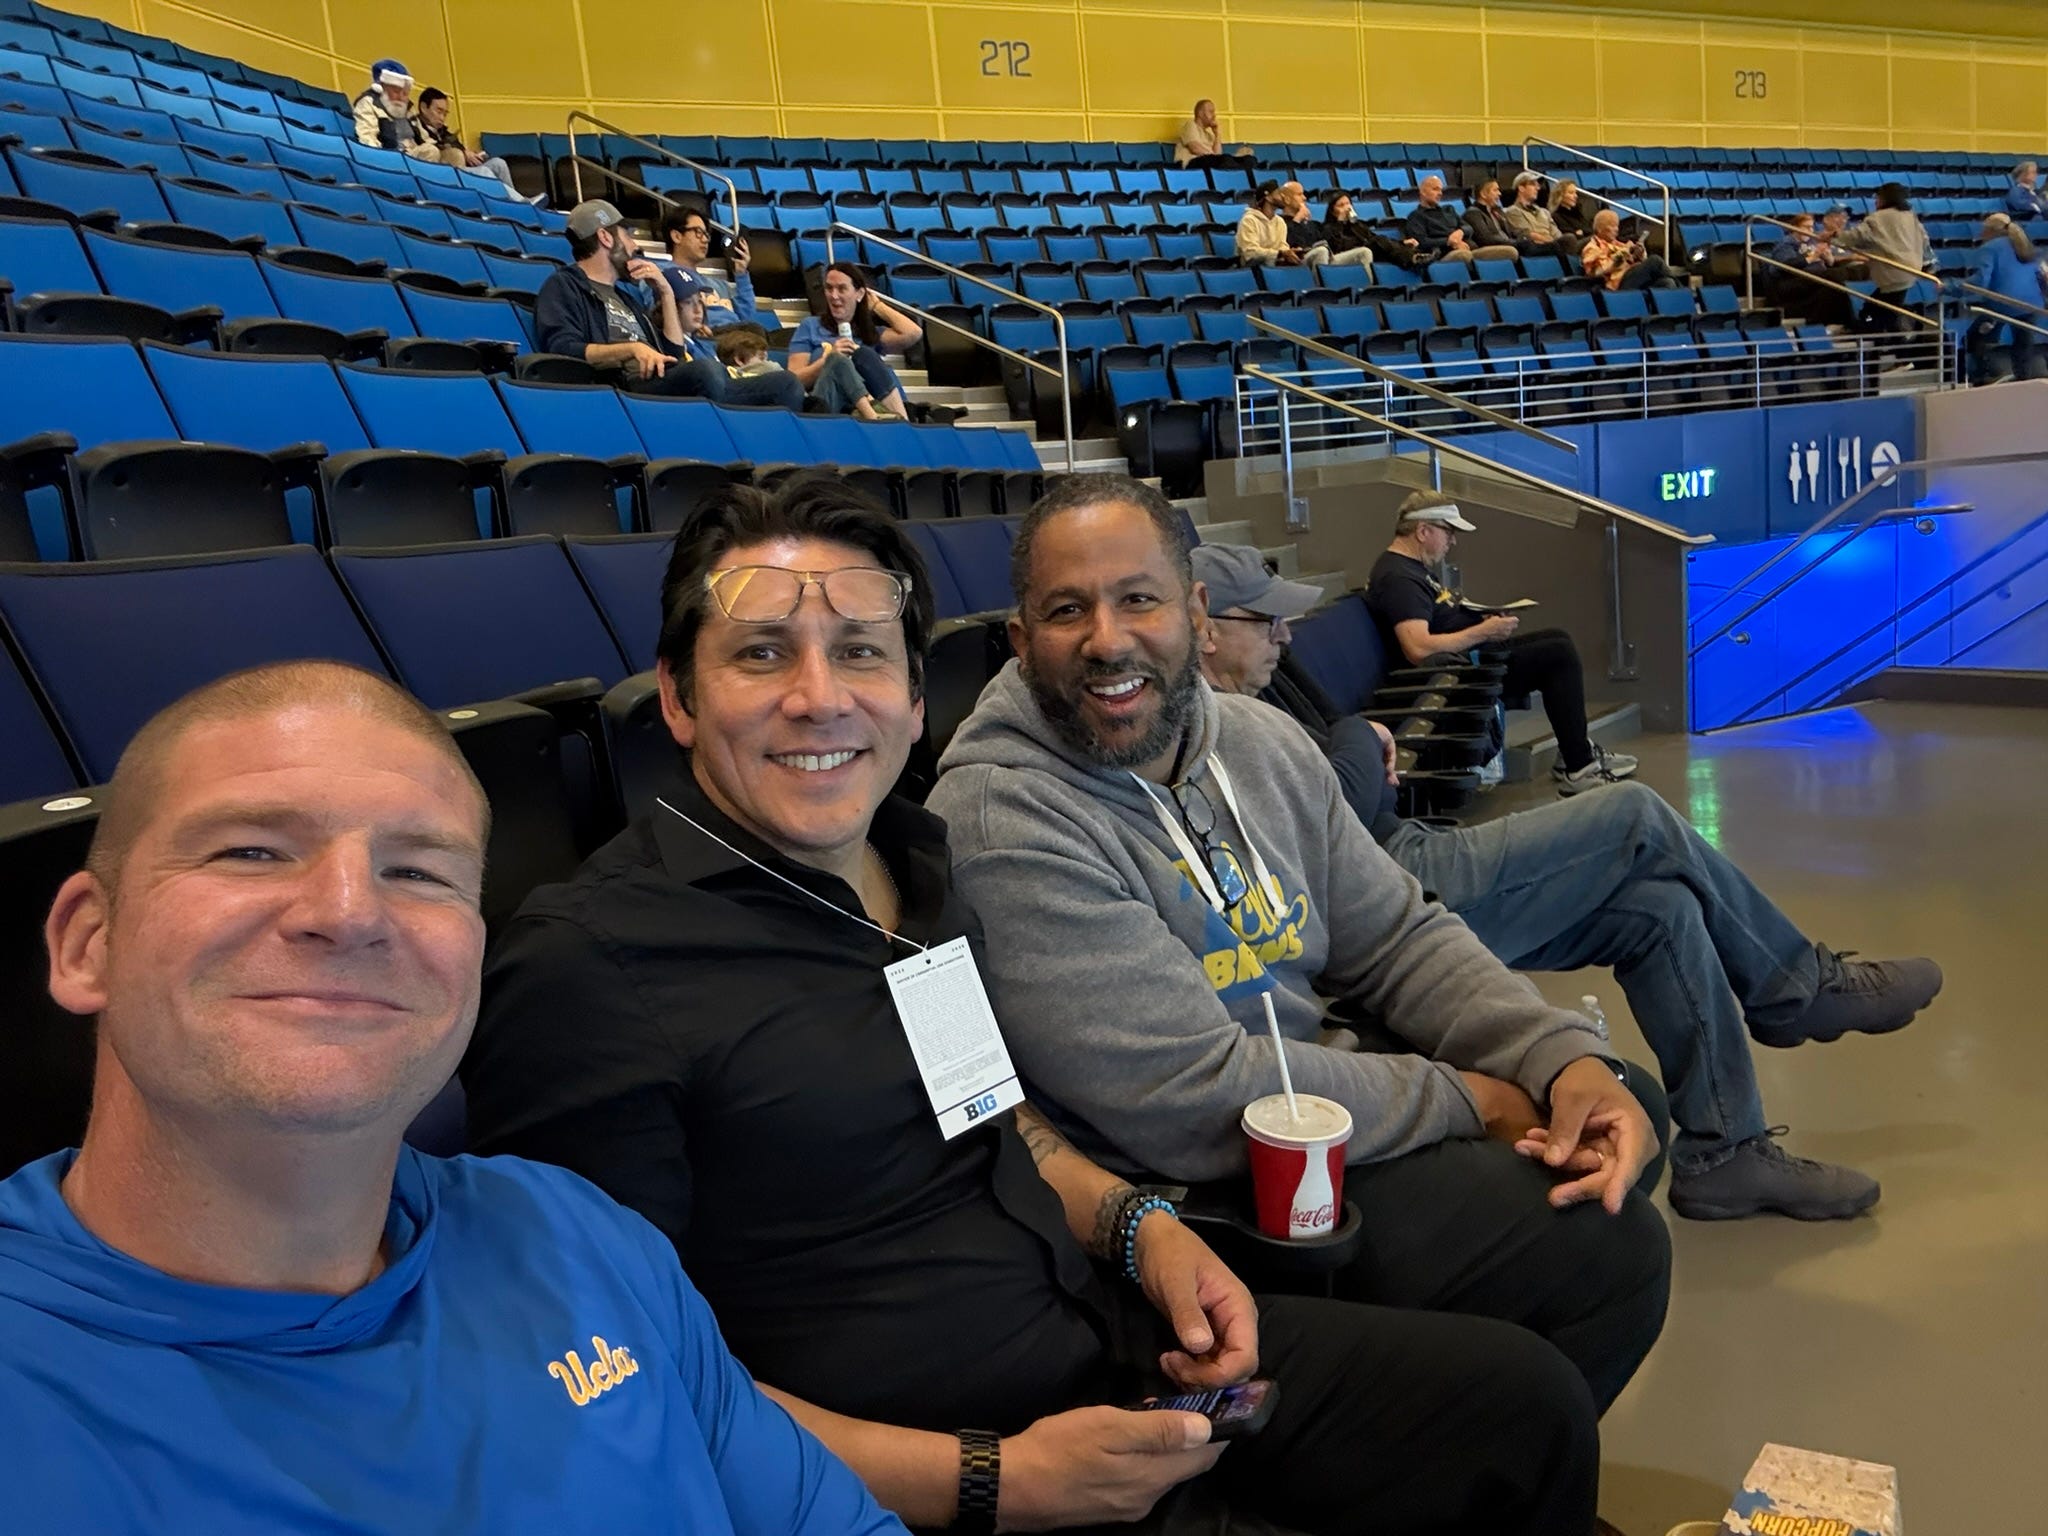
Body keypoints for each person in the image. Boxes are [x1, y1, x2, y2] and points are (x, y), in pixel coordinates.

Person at [463, 477, 1608, 1536]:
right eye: (761, 654)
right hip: (929, 1484)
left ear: (914, 699)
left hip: (1102, 1350)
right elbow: (624, 1382)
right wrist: (996, 1481)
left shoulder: (911, 869)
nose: (819, 699)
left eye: (859, 653)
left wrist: (1141, 1231)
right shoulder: (588, 971)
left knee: (1523, 1413)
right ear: (676, 696)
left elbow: (992, 1113)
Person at [0, 660, 906, 1536]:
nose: (349, 912)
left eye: (417, 871)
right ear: (87, 943)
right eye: (252, 851)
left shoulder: (577, 1235)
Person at [927, 473, 1674, 1419]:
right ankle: (1481, 1437)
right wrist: (1470, 1098)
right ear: (1021, 638)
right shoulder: (1003, 814)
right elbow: (1189, 1097)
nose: (1107, 639)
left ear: (1197, 614)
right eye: (1067, 610)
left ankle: (1470, 1429)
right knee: (1610, 1251)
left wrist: (1555, 1056)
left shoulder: (1261, 740)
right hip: (1206, 1186)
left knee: (1617, 1105)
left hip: (1316, 1095)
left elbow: (1396, 935)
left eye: (1139, 598)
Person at [1193, 541, 1943, 1222]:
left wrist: (1353, 746)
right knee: (1634, 816)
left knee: (1662, 911)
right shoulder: (1212, 724)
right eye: (1265, 622)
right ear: (1204, 627)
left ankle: (1726, 1153)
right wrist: (1361, 739)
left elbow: (1341, 774)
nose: (1284, 636)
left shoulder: (1266, 688)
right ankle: (1796, 987)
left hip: (1404, 843)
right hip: (1386, 881)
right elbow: (1340, 796)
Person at [1364, 492, 1635, 794]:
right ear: (1423, 531)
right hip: (1455, 677)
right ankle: (1578, 766)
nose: (1453, 541)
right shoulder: (1399, 578)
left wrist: (1481, 620)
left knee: (1557, 638)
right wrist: (1484, 632)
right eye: (1448, 531)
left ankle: (1574, 751)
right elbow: (1419, 649)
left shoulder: (1411, 569)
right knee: (1557, 654)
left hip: (1467, 660)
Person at [534, 199, 726, 398]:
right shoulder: (564, 286)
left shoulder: (625, 297)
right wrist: (632, 349)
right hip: (622, 384)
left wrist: (666, 293)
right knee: (707, 371)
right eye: (627, 236)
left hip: (659, 379)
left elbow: (675, 355)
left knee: (749, 387)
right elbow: (563, 349)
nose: (634, 246)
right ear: (605, 238)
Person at [788, 262, 917, 422]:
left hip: (861, 411)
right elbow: (793, 381)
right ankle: (896, 423)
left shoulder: (869, 333)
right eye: (829, 288)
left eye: (841, 289)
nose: (834, 296)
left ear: (859, 293)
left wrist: (877, 305)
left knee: (863, 354)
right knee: (837, 360)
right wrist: (825, 361)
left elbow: (913, 333)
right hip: (826, 404)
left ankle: (900, 421)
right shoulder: (810, 326)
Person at [1833, 184, 1937, 368]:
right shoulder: (1910, 216)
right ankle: (1891, 354)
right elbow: (1924, 240)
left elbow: (1857, 237)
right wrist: (1929, 264)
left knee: (1880, 315)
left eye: (1877, 198)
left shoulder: (1878, 218)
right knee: (1881, 311)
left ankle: (1893, 356)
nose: (1875, 201)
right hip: (1909, 271)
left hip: (1893, 273)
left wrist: (1834, 237)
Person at [672, 277, 806, 410]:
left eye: (699, 302)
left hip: (727, 387)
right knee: (786, 383)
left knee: (810, 401)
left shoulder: (704, 345)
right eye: (688, 302)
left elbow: (747, 312)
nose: (697, 309)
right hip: (713, 394)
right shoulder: (676, 345)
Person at [716, 323, 882, 418]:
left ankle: (869, 410)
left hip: (811, 407)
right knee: (836, 360)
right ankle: (873, 416)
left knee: (840, 361)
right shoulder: (740, 378)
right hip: (808, 416)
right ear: (740, 360)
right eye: (761, 358)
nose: (768, 361)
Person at [1965, 212, 2043, 385]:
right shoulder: (2024, 245)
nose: (1981, 233)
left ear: (1991, 230)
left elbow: (1981, 280)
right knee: (2023, 345)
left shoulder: (1990, 248)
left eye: (1984, 229)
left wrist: (1952, 287)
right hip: (2030, 304)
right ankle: (2024, 381)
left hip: (2002, 303)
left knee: (1974, 337)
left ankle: (1981, 376)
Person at [660, 208, 759, 327]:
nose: (705, 240)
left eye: (706, 234)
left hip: (738, 334)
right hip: (709, 336)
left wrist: (741, 274)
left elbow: (746, 316)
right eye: (698, 232)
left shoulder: (719, 285)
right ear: (677, 236)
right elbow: (662, 318)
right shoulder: (662, 277)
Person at [414, 86, 520, 193]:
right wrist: (463, 153)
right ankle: (519, 201)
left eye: (445, 114)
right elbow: (429, 152)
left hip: (463, 170)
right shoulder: (414, 128)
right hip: (447, 175)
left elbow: (461, 150)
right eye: (439, 111)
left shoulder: (444, 133)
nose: (442, 118)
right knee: (484, 171)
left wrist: (473, 156)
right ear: (423, 107)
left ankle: (515, 198)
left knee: (498, 164)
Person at [1402, 175, 1516, 265]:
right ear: (1423, 191)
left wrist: (1460, 232)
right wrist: (1449, 241)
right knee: (1464, 255)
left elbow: (1469, 228)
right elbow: (1422, 242)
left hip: (1471, 249)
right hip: (1445, 254)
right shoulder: (1416, 216)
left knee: (1511, 252)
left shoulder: (1448, 210)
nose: (1440, 193)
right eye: (1435, 189)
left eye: (1441, 190)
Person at [1763, 212, 1851, 324]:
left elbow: (1827, 262)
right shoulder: (1786, 244)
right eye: (1806, 227)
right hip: (1792, 281)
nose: (1810, 230)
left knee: (1835, 288)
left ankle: (1838, 322)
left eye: (1812, 227)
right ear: (1794, 227)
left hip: (1813, 279)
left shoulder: (1811, 243)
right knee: (1834, 276)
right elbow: (1786, 266)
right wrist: (1813, 256)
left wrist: (1828, 258)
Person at [350, 59, 432, 160]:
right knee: (431, 152)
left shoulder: (408, 108)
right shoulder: (368, 103)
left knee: (446, 153)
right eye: (396, 92)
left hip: (414, 155)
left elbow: (424, 137)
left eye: (405, 93)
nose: (401, 97)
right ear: (382, 89)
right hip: (391, 156)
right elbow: (367, 137)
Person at [1580, 208, 1676, 291]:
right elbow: (1598, 271)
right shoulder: (1592, 247)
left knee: (1667, 282)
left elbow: (1636, 259)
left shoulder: (1617, 244)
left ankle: (1677, 297)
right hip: (1617, 283)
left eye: (1617, 226)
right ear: (1601, 228)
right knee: (1654, 260)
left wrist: (1639, 254)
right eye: (1613, 226)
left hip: (1633, 277)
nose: (1617, 229)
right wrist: (1623, 254)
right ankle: (1682, 291)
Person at [1500, 170, 1577, 257]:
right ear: (1521, 188)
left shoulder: (1545, 212)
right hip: (1535, 248)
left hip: (1554, 245)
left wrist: (1556, 241)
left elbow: (1557, 234)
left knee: (1581, 241)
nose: (1538, 188)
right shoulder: (1512, 211)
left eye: (1537, 185)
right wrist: (1552, 241)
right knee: (1569, 239)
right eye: (1533, 184)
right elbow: (1527, 235)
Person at [1463, 178, 1544, 261]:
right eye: (1495, 190)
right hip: (1494, 248)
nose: (1499, 193)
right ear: (1483, 194)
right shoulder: (1473, 213)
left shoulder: (1497, 211)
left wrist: (1528, 236)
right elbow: (1487, 240)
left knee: (1544, 245)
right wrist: (1518, 243)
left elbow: (1512, 230)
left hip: (1511, 244)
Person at [1173, 99, 1254, 169]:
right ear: (1200, 114)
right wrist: (1217, 157)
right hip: (1192, 163)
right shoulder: (1190, 125)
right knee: (1226, 159)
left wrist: (1217, 134)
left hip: (1210, 163)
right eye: (1211, 112)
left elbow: (1218, 155)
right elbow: (1195, 148)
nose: (1214, 115)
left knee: (1249, 160)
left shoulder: (1209, 135)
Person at [1233, 180, 1298, 266]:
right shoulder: (1249, 220)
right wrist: (1280, 254)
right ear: (1268, 197)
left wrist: (1290, 253)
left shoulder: (1280, 221)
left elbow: (1282, 247)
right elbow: (1250, 253)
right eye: (1278, 193)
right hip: (1253, 267)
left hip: (1276, 264)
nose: (1283, 196)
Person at [1318, 193, 1385, 273]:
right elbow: (1336, 247)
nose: (1347, 208)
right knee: (1366, 251)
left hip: (1361, 250)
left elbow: (1372, 238)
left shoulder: (1356, 225)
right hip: (1341, 257)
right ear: (1332, 211)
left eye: (1348, 203)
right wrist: (1340, 221)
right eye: (1341, 205)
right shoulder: (1328, 227)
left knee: (1382, 244)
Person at [1278, 180, 1330, 266]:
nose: (1304, 198)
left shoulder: (1311, 223)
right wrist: (1297, 220)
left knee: (1355, 254)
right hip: (1298, 262)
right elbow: (1291, 244)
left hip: (1325, 257)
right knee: (1321, 251)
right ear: (1287, 199)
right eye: (1299, 194)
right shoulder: (1279, 222)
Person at [1549, 178, 1593, 242]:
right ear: (1560, 195)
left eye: (1575, 193)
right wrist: (1582, 232)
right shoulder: (1556, 216)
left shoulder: (1577, 212)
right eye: (1571, 193)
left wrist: (1582, 231)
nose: (1576, 196)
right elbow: (1571, 236)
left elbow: (1589, 230)